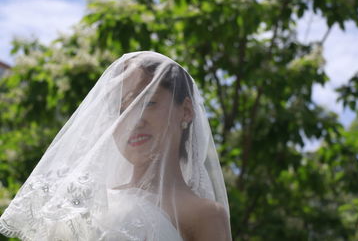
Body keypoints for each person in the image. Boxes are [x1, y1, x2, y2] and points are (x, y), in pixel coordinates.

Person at [0, 51, 232, 241]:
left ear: (187, 109)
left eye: (149, 103)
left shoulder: (204, 215)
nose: (134, 120)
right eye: (123, 111)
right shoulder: (81, 205)